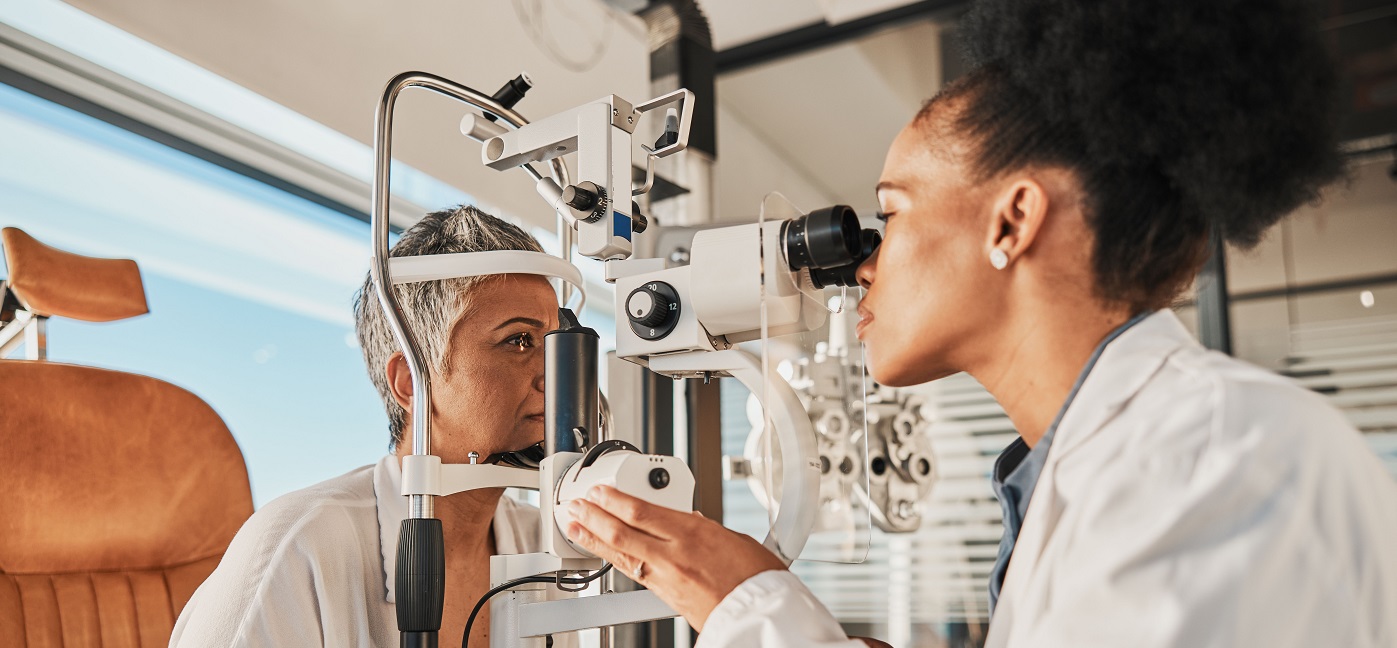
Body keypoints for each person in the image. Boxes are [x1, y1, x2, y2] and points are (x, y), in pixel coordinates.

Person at [563, 0, 1397, 646]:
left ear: (1012, 221)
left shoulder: (1214, 459)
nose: (861, 266)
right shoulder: (1106, 463)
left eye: (892, 217)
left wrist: (754, 611)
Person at [170, 206, 571, 647]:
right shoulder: (299, 546)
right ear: (411, 383)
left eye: (557, 343)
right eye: (519, 341)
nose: (556, 373)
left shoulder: (546, 541)